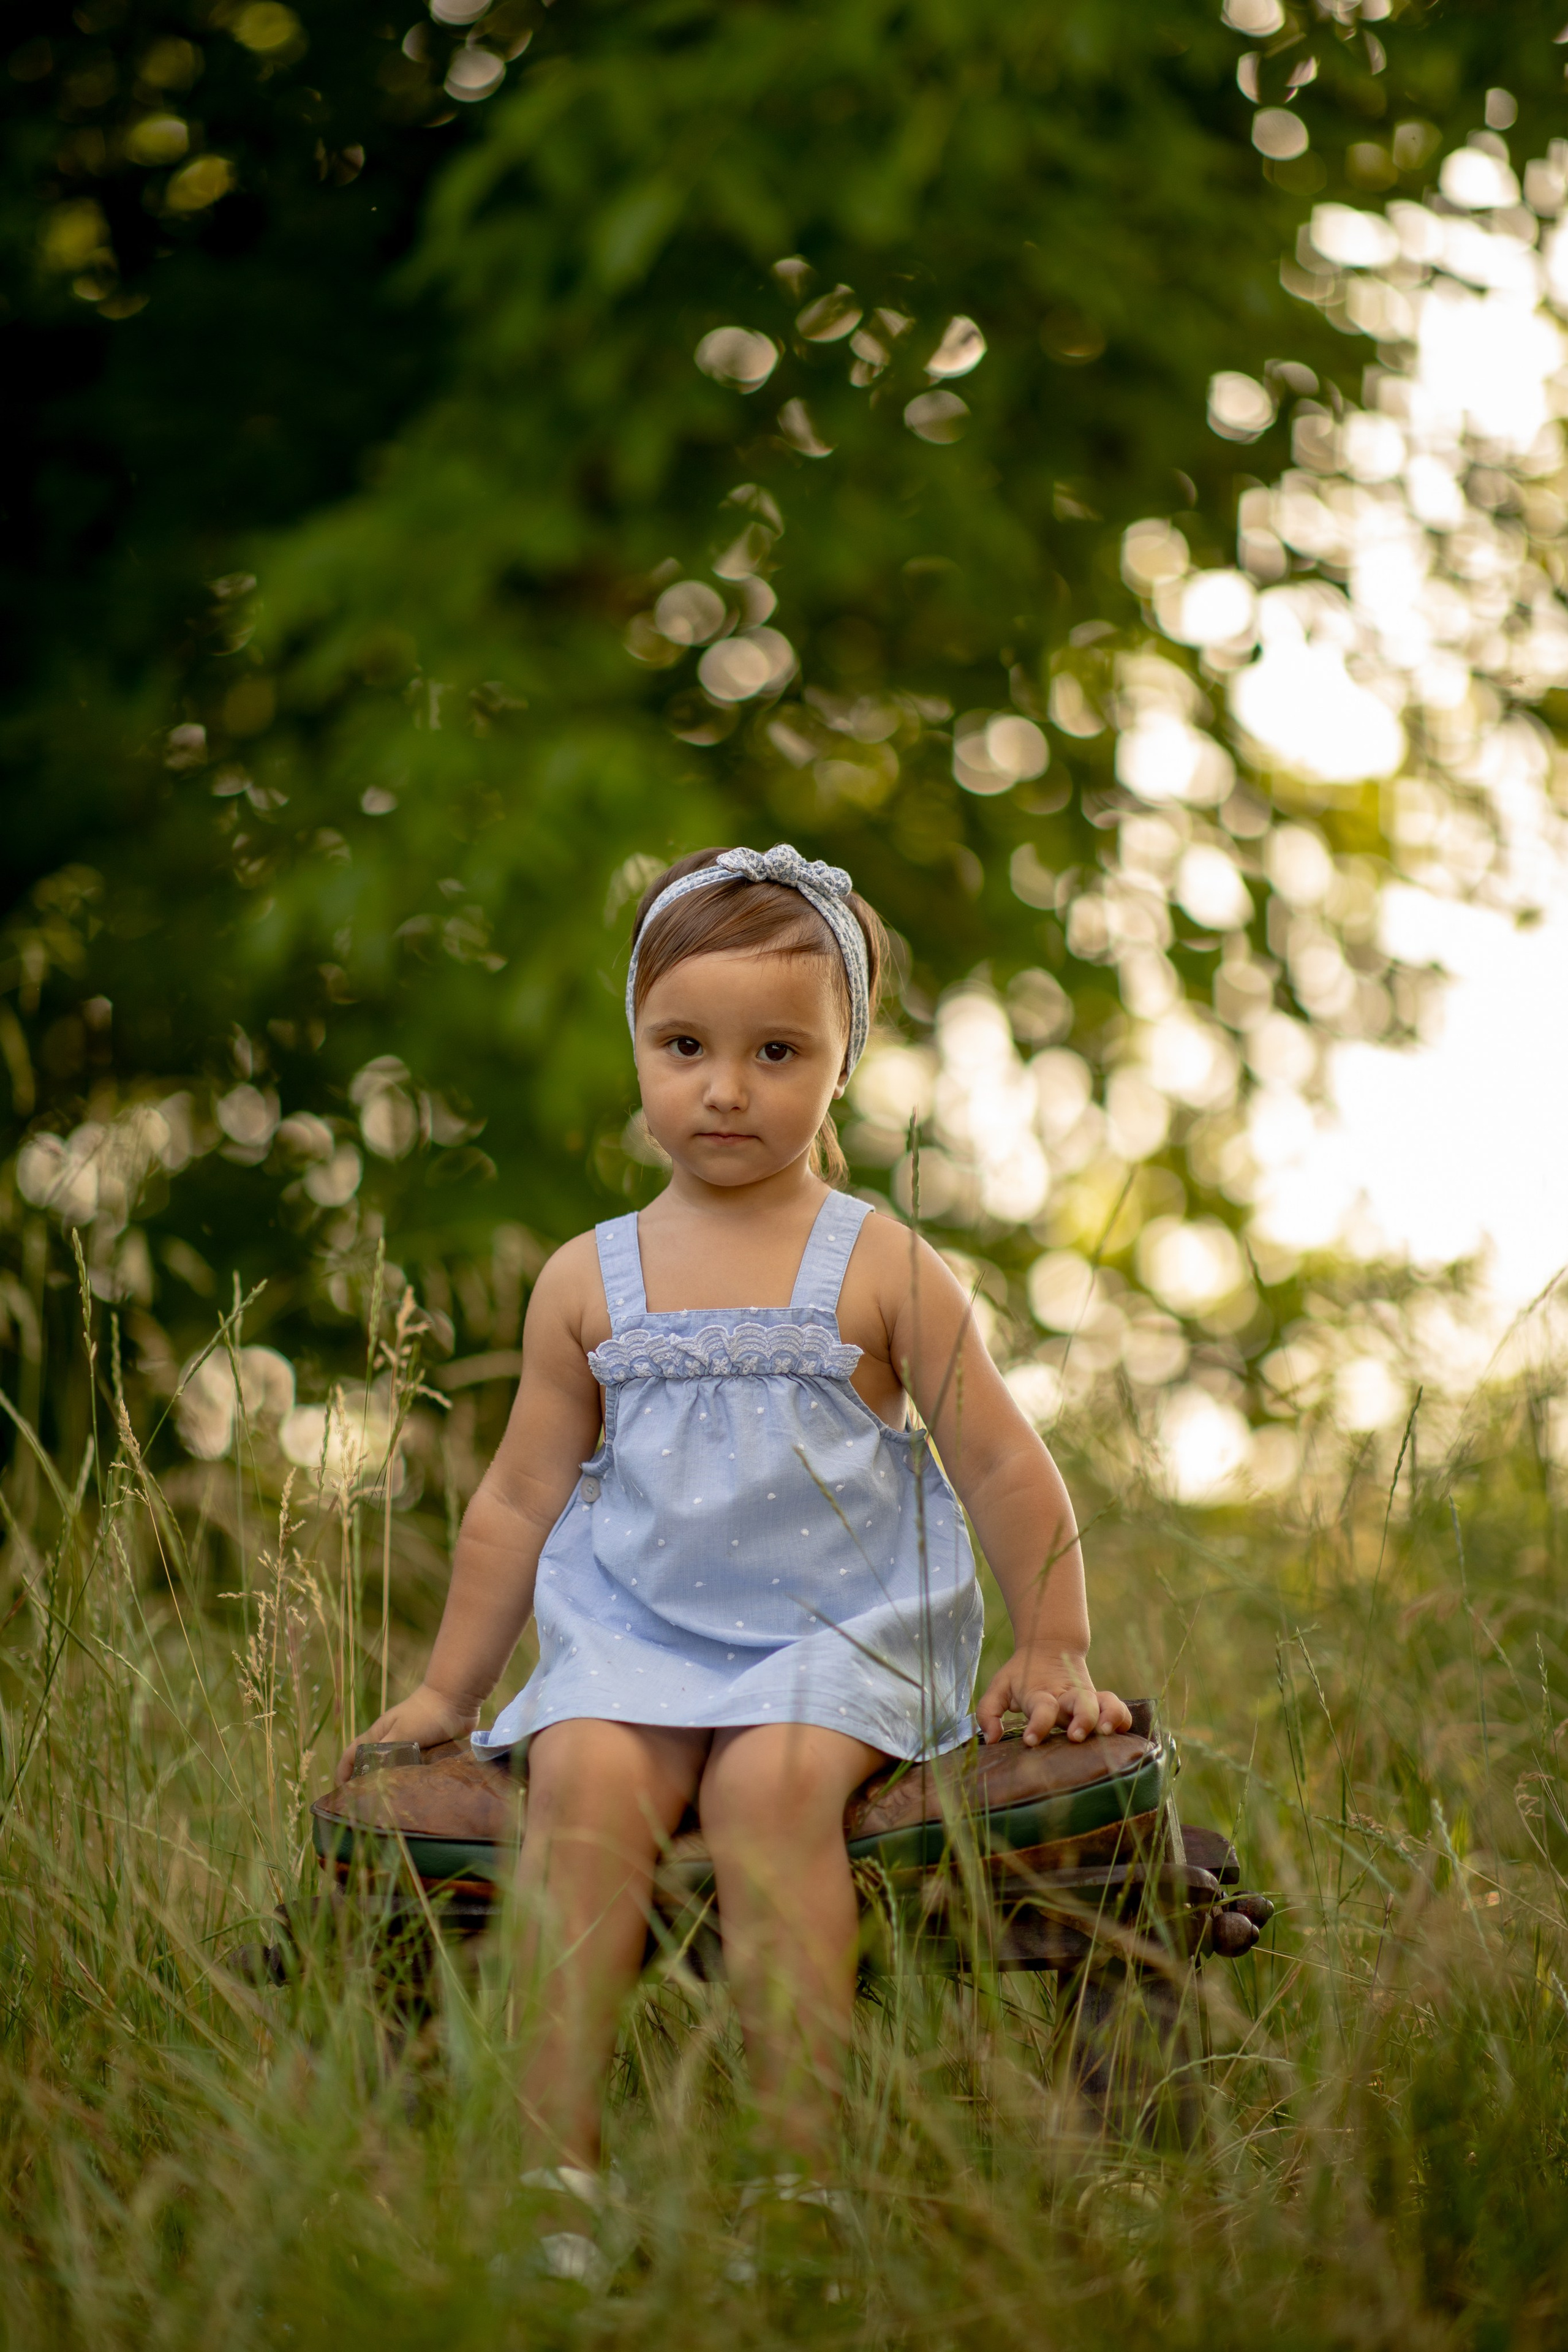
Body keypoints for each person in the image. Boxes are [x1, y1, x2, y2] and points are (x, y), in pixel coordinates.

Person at [342, 842, 1129, 2179]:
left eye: (776, 1053)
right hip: (641, 1637)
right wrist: (445, 1690)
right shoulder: (589, 1279)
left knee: (770, 1790)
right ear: (637, 1046)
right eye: (684, 1044)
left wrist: (1050, 1640)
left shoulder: (878, 1261)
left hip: (837, 1634)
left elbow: (999, 1461)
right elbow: (518, 1496)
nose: (723, 1087)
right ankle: (556, 2173)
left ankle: (795, 2169)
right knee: (585, 1782)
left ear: (839, 1063)